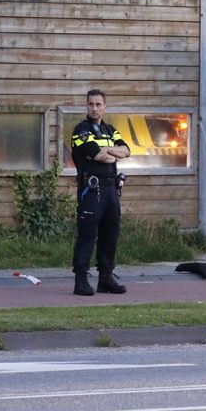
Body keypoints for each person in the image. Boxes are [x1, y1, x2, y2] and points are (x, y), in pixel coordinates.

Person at [71, 89, 130, 296]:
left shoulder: (110, 130)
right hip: (91, 189)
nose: (94, 108)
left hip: (111, 189)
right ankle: (81, 280)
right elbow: (99, 156)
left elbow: (127, 150)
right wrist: (112, 153)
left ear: (104, 107)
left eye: (98, 104)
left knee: (110, 234)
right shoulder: (81, 130)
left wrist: (110, 151)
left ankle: (105, 279)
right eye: (91, 104)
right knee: (87, 235)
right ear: (86, 106)